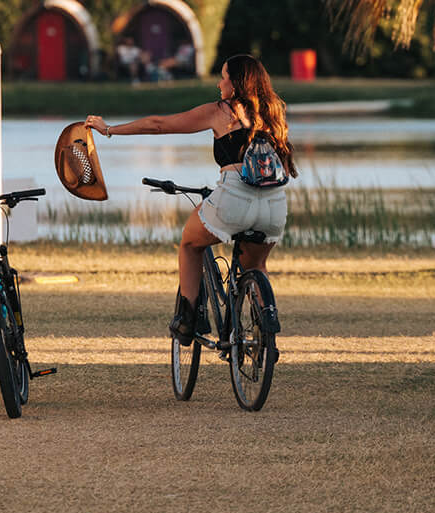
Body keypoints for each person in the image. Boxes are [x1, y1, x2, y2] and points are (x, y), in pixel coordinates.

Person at [84, 53, 297, 343]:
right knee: (256, 266)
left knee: (188, 243)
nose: (219, 83)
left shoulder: (221, 111)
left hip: (234, 199)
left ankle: (186, 319)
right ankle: (266, 321)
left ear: (235, 84)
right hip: (274, 206)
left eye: (223, 77)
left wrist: (108, 130)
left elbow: (158, 124)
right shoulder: (273, 113)